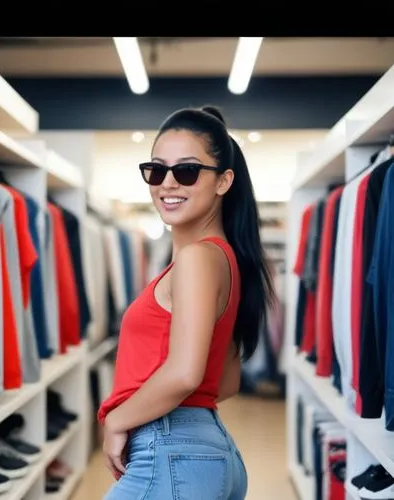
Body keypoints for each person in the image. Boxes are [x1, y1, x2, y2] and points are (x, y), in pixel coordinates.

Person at [97, 105, 275, 499]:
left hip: (170, 450)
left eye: (188, 170)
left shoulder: (197, 259)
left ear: (224, 181)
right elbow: (224, 381)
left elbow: (184, 375)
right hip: (207, 450)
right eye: (157, 170)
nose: (168, 183)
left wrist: (116, 420)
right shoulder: (225, 259)